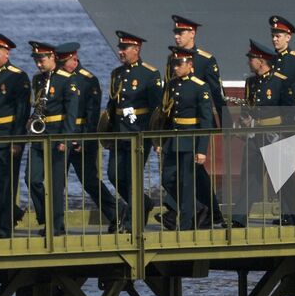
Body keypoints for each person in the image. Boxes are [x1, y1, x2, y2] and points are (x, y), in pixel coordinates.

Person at [169, 15, 228, 227]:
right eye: (175, 33)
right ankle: (209, 210)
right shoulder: (173, 59)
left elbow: (216, 93)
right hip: (176, 126)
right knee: (191, 173)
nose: (177, 36)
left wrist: (224, 122)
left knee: (189, 170)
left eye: (181, 33)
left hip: (196, 125)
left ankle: (179, 210)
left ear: (192, 33)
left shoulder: (205, 59)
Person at [236, 40, 295, 227]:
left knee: (282, 179)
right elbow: (247, 107)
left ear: (261, 61)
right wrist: (244, 123)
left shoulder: (280, 82)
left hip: (275, 136)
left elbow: (290, 113)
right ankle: (239, 219)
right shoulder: (251, 82)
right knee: (250, 176)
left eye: (251, 59)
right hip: (256, 136)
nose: (249, 62)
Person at [57, 42, 121, 232]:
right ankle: (56, 224)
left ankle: (117, 213)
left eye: (65, 62)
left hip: (82, 136)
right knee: (57, 181)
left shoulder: (88, 80)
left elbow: (92, 115)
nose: (62, 66)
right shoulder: (59, 78)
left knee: (89, 180)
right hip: (63, 136)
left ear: (74, 59)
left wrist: (83, 140)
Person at [105, 30, 163, 232]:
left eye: (124, 48)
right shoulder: (116, 74)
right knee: (113, 174)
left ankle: (132, 223)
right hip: (119, 133)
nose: (120, 51)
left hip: (139, 133)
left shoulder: (149, 74)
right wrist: (109, 133)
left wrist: (154, 138)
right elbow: (112, 106)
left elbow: (158, 109)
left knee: (132, 177)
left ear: (136, 49)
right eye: (120, 47)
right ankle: (143, 203)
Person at [156, 46, 214, 231]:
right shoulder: (172, 85)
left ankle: (187, 225)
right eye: (173, 64)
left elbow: (206, 121)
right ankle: (197, 208)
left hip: (190, 139)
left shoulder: (200, 87)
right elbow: (166, 114)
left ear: (189, 64)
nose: (175, 68)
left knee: (187, 183)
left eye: (179, 64)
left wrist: (202, 149)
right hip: (173, 139)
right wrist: (160, 141)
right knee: (167, 178)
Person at [0, 30, 31, 236]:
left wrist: (17, 140)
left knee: (5, 183)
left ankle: (4, 228)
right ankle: (11, 214)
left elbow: (22, 112)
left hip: (8, 135)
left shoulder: (17, 77)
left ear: (7, 53)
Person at [25, 40, 72, 235]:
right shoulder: (38, 79)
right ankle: (46, 216)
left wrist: (65, 139)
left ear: (52, 57)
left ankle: (55, 225)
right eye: (36, 59)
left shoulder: (65, 79)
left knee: (55, 183)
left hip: (57, 134)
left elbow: (72, 112)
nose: (38, 63)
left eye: (41, 59)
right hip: (39, 135)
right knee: (32, 178)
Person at [269, 15, 295, 96]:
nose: (274, 39)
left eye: (278, 36)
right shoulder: (269, 60)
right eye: (273, 36)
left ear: (288, 38)